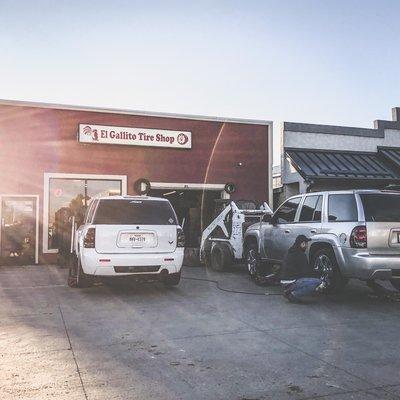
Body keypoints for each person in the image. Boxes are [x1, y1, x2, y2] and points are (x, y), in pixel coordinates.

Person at [280, 235, 326, 302]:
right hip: (292, 282)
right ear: (302, 244)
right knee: (318, 282)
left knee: (311, 281)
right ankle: (293, 294)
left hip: (284, 282)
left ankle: (288, 291)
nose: (307, 246)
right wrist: (318, 274)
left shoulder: (289, 251)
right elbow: (306, 272)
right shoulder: (300, 255)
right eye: (306, 244)